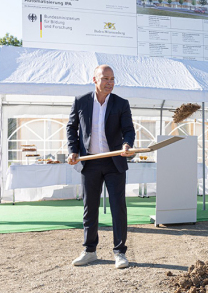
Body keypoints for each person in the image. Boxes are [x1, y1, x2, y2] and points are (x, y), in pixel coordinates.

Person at [66, 64, 136, 269]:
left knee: (118, 208)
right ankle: (89, 251)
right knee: (90, 208)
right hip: (90, 162)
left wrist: (127, 145)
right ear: (94, 79)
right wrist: (73, 150)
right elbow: (72, 127)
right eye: (105, 78)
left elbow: (128, 130)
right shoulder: (81, 101)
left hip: (114, 161)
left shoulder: (121, 103)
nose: (110, 83)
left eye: (112, 79)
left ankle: (120, 252)